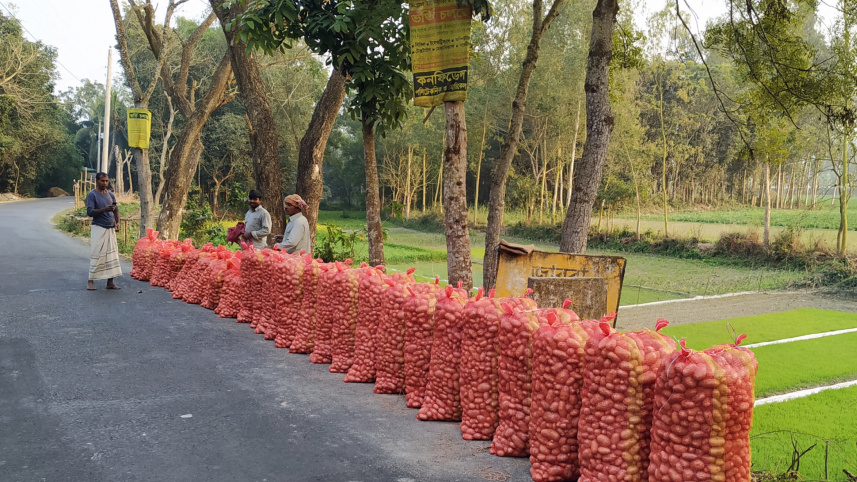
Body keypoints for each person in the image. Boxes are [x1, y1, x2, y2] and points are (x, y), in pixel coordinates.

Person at [85, 172, 122, 290]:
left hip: (110, 228)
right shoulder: (92, 195)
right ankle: (90, 281)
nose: (105, 183)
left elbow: (116, 210)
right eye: (102, 181)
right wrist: (104, 210)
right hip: (98, 228)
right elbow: (90, 212)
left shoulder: (110, 195)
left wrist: (118, 223)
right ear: (96, 181)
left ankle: (110, 282)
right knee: (97, 254)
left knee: (111, 255)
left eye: (107, 181)